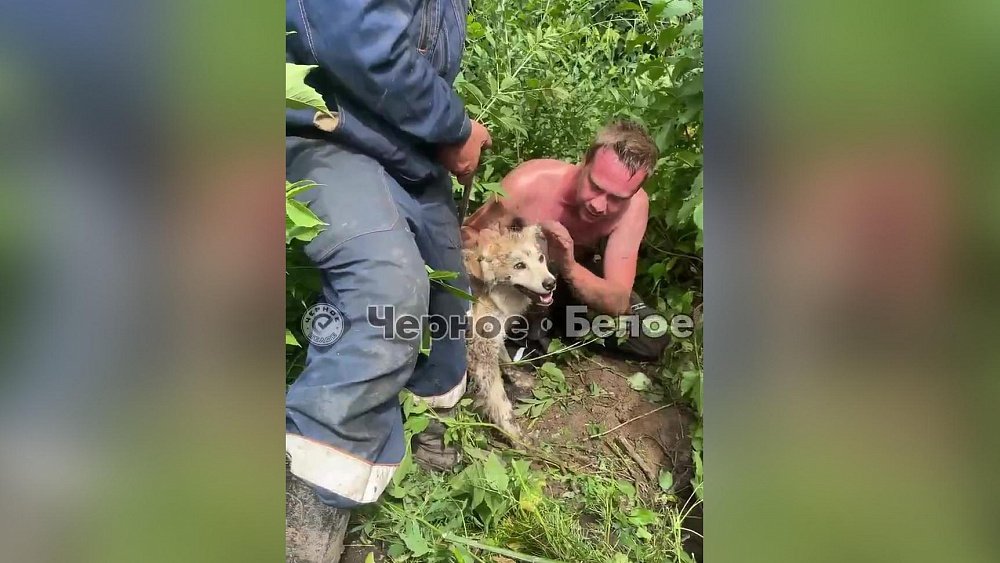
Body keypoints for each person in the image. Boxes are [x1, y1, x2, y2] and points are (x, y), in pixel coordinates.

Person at [284, 1, 490, 561]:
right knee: (387, 290)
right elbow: (354, 36)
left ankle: (427, 418)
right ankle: (304, 526)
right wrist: (456, 125)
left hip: (405, 148)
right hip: (325, 127)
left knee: (451, 299)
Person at [462, 120, 669, 360]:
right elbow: (467, 235)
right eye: (595, 186)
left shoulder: (634, 208)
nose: (599, 205)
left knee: (652, 336)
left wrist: (568, 265)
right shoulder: (529, 184)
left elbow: (619, 300)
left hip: (575, 281)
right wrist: (488, 245)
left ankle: (557, 327)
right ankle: (534, 336)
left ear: (633, 193)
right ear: (583, 162)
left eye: (616, 198)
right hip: (520, 283)